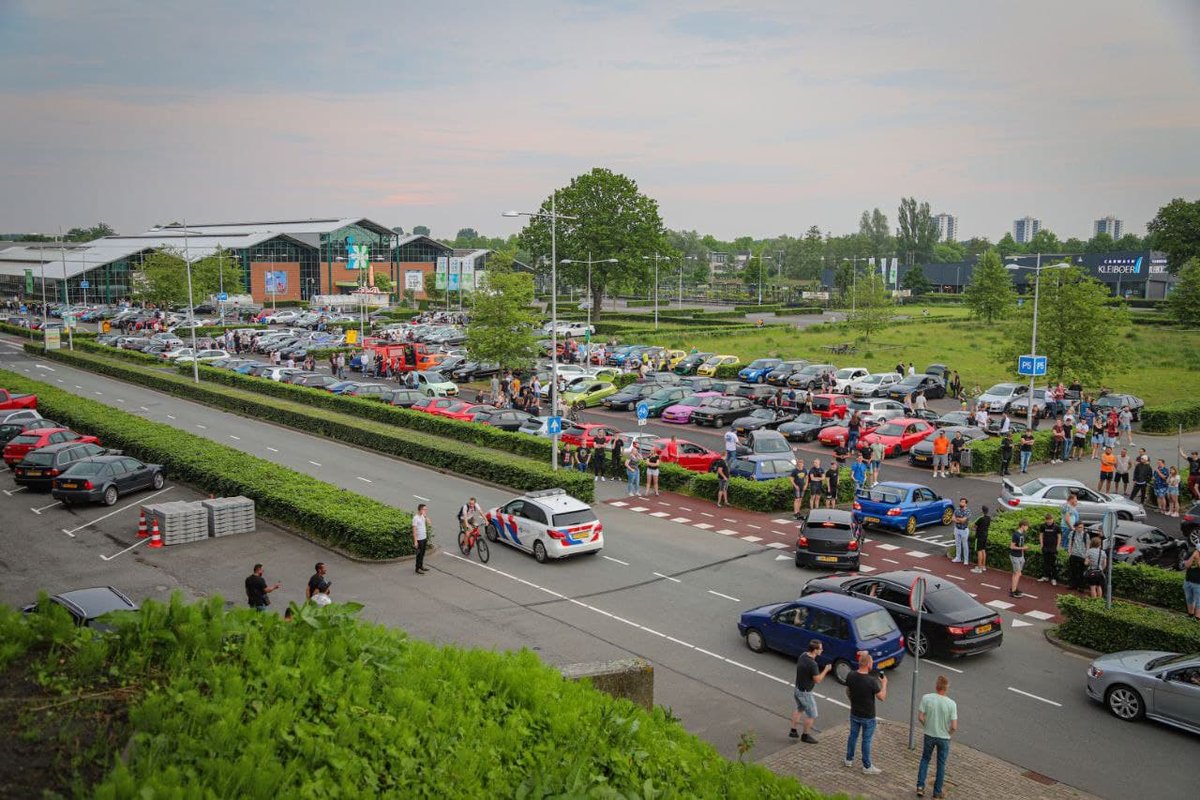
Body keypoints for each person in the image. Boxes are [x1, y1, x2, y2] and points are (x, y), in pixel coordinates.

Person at [916, 675, 958, 799]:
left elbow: (920, 717)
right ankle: (937, 792)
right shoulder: (951, 704)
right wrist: (948, 734)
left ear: (936, 686)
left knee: (925, 759)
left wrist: (927, 725)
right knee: (941, 764)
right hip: (944, 738)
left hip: (929, 734)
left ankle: (920, 786)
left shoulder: (926, 698)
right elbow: (954, 726)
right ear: (946, 688)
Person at [844, 651, 887, 775]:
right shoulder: (872, 681)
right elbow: (882, 697)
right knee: (866, 740)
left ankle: (849, 759)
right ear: (868, 664)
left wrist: (853, 701)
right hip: (868, 715)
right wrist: (884, 684)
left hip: (855, 712)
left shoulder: (851, 675)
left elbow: (848, 690)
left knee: (853, 736)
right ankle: (867, 766)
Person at [789, 639, 832, 742]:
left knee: (800, 709)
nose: (822, 650)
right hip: (805, 693)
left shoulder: (803, 655)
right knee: (812, 714)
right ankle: (805, 735)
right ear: (815, 650)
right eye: (820, 649)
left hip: (798, 689)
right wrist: (826, 670)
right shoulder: (813, 664)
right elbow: (817, 680)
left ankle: (793, 730)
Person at [1067, 520, 1090, 591]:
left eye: (1082, 527)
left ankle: (1081, 587)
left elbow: (1088, 546)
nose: (1081, 529)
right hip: (1074, 554)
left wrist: (1087, 557)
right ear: (1076, 527)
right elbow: (1070, 543)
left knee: (1081, 572)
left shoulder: (1086, 535)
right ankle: (1073, 585)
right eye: (1079, 527)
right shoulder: (1072, 533)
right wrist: (1069, 552)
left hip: (1082, 556)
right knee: (1073, 571)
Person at [1038, 513, 1060, 586]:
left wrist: (1058, 546)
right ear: (1046, 520)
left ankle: (1053, 578)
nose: (1049, 522)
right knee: (1046, 563)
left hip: (1053, 548)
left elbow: (1059, 536)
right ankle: (1045, 576)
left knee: (1053, 564)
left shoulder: (1056, 527)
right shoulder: (1043, 526)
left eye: (1050, 520)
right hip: (1045, 547)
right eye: (1047, 520)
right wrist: (1041, 544)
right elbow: (1041, 535)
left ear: (1052, 519)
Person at [1084, 535, 1108, 599]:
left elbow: (1086, 563)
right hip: (1099, 572)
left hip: (1092, 571)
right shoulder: (1102, 552)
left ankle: (1094, 600)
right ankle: (1099, 600)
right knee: (1099, 586)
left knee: (1092, 587)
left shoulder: (1089, 551)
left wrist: (1089, 562)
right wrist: (1101, 569)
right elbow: (1105, 564)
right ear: (1099, 544)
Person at [1010, 520, 1029, 598]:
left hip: (1020, 556)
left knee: (1016, 573)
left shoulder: (1023, 534)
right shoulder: (1016, 534)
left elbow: (1021, 545)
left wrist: (1023, 554)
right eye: (1027, 526)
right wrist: (1023, 548)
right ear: (1022, 526)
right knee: (1017, 574)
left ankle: (1014, 588)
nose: (1027, 528)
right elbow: (1011, 546)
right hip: (1015, 556)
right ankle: (1013, 591)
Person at [950, 499, 971, 565]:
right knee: (957, 544)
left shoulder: (968, 511)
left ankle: (966, 560)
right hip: (957, 529)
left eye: (963, 502)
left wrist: (957, 519)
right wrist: (959, 520)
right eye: (960, 502)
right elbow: (952, 518)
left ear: (966, 504)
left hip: (964, 530)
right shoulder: (957, 509)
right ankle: (958, 558)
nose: (961, 503)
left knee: (965, 545)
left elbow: (963, 520)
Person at [972, 505, 991, 574]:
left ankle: (979, 568)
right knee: (983, 550)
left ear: (982, 510)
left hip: (979, 536)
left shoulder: (980, 518)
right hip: (985, 536)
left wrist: (975, 529)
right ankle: (983, 566)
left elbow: (974, 526)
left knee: (979, 551)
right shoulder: (989, 518)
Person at [1183, 547, 1200, 620]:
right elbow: (1186, 565)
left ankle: (1198, 618)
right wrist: (1193, 556)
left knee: (1199, 602)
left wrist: (1197, 558)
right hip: (1188, 581)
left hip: (1199, 584)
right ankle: (1190, 614)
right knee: (1189, 599)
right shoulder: (1192, 552)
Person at [413, 503, 429, 575]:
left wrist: (425, 516)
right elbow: (414, 530)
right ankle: (417, 568)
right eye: (424, 509)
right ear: (420, 509)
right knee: (419, 554)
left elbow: (429, 523)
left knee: (423, 553)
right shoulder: (415, 518)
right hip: (419, 539)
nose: (426, 510)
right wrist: (415, 541)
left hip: (424, 537)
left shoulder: (423, 516)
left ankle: (421, 566)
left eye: (426, 509)